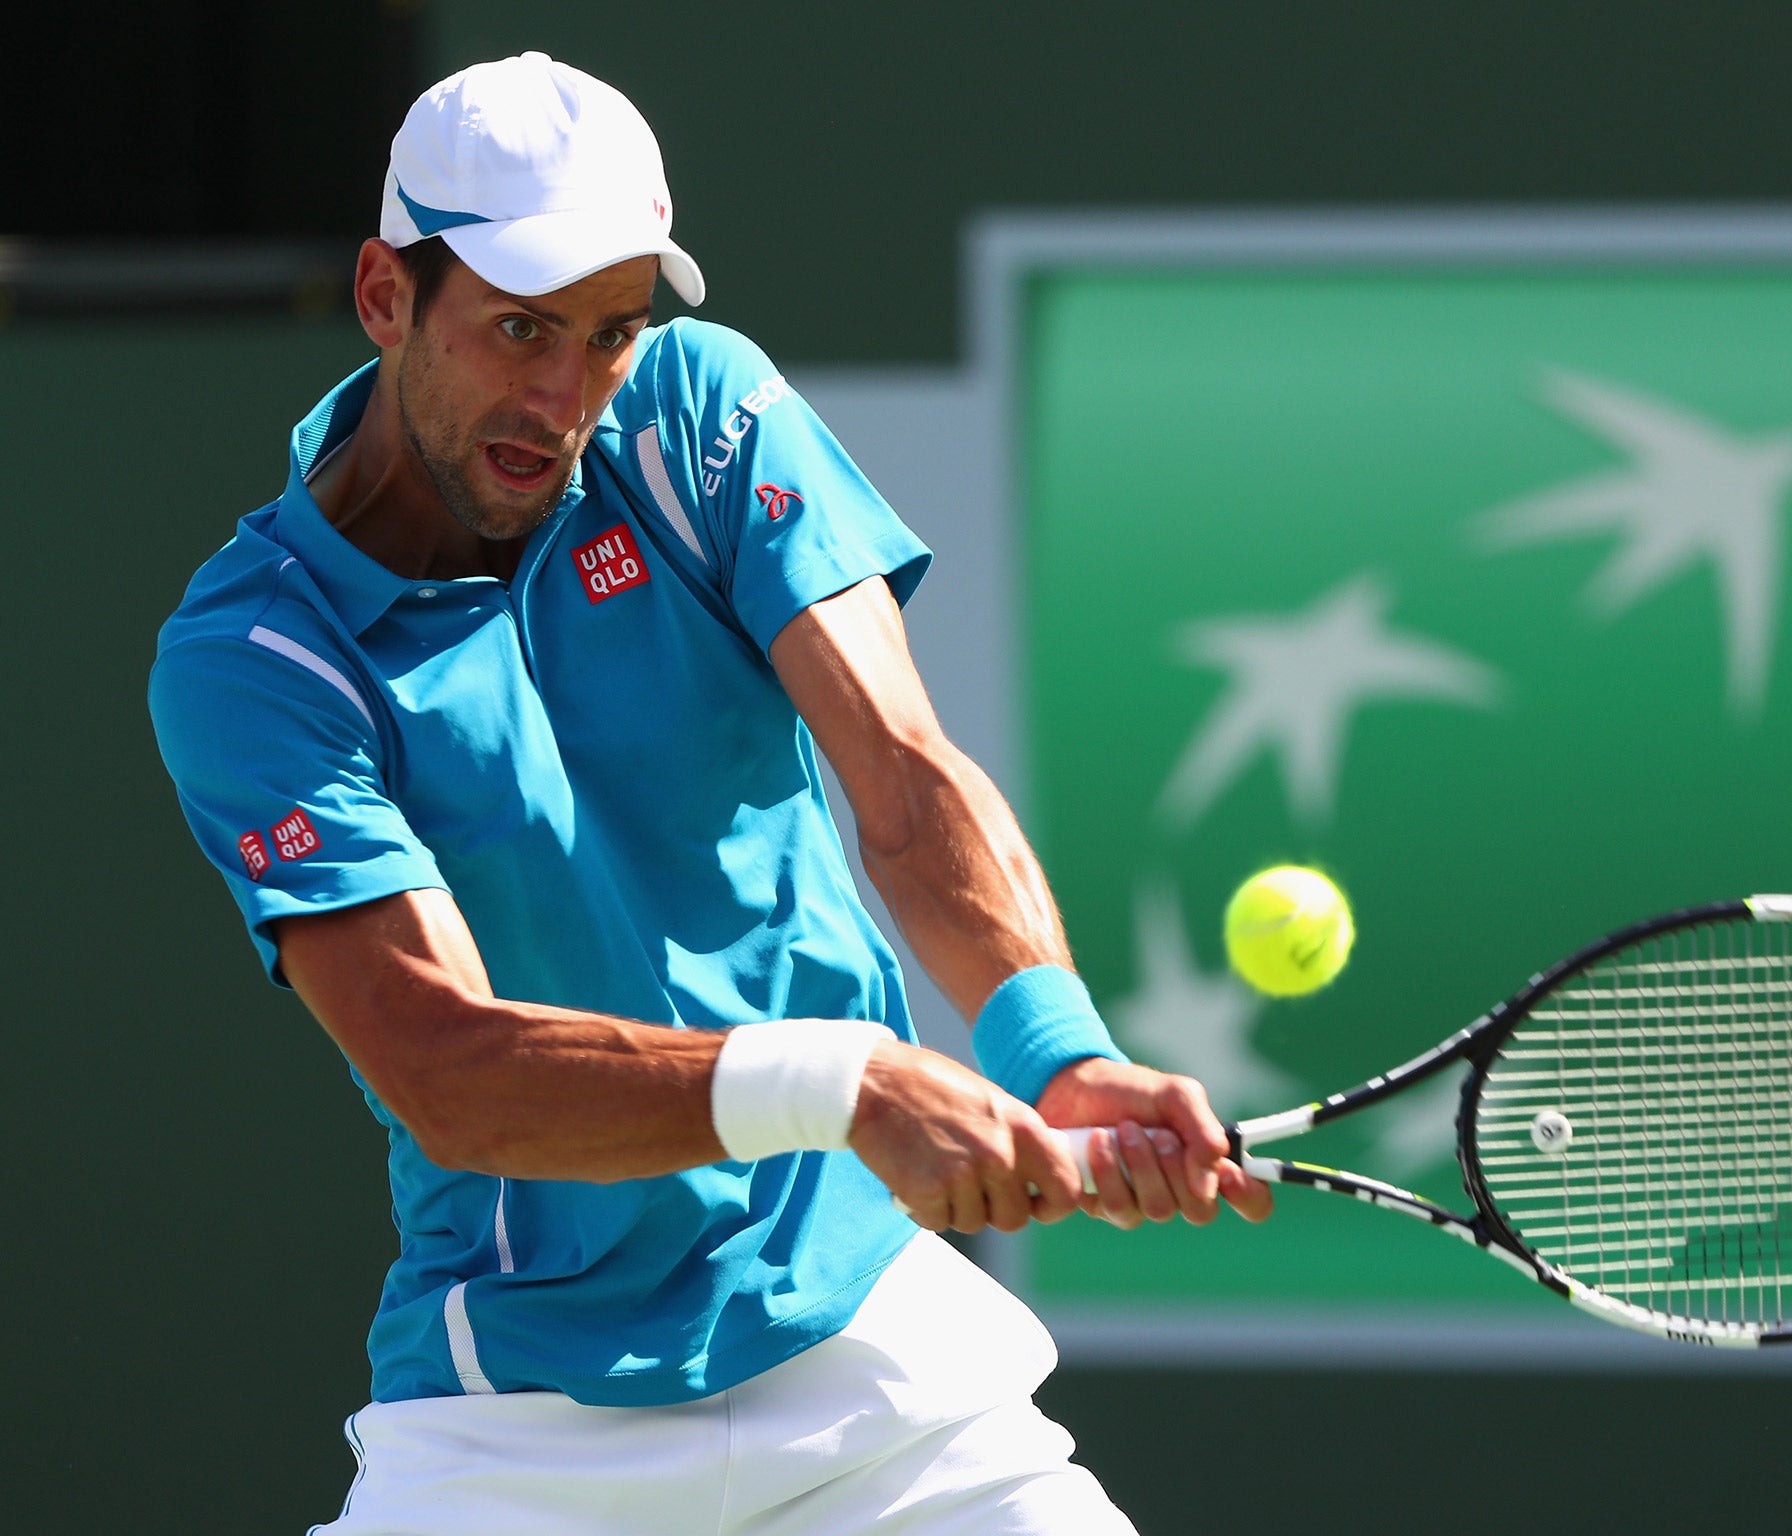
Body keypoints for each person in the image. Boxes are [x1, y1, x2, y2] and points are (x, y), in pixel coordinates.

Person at [148, 51, 1269, 1535]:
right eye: (520, 329)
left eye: (610, 334)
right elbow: (443, 1062)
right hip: (522, 1429)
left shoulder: (692, 416)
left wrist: (1054, 1047)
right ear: (383, 296)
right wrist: (846, 1083)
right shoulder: (258, 652)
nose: (563, 397)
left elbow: (905, 776)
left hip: (883, 1378)